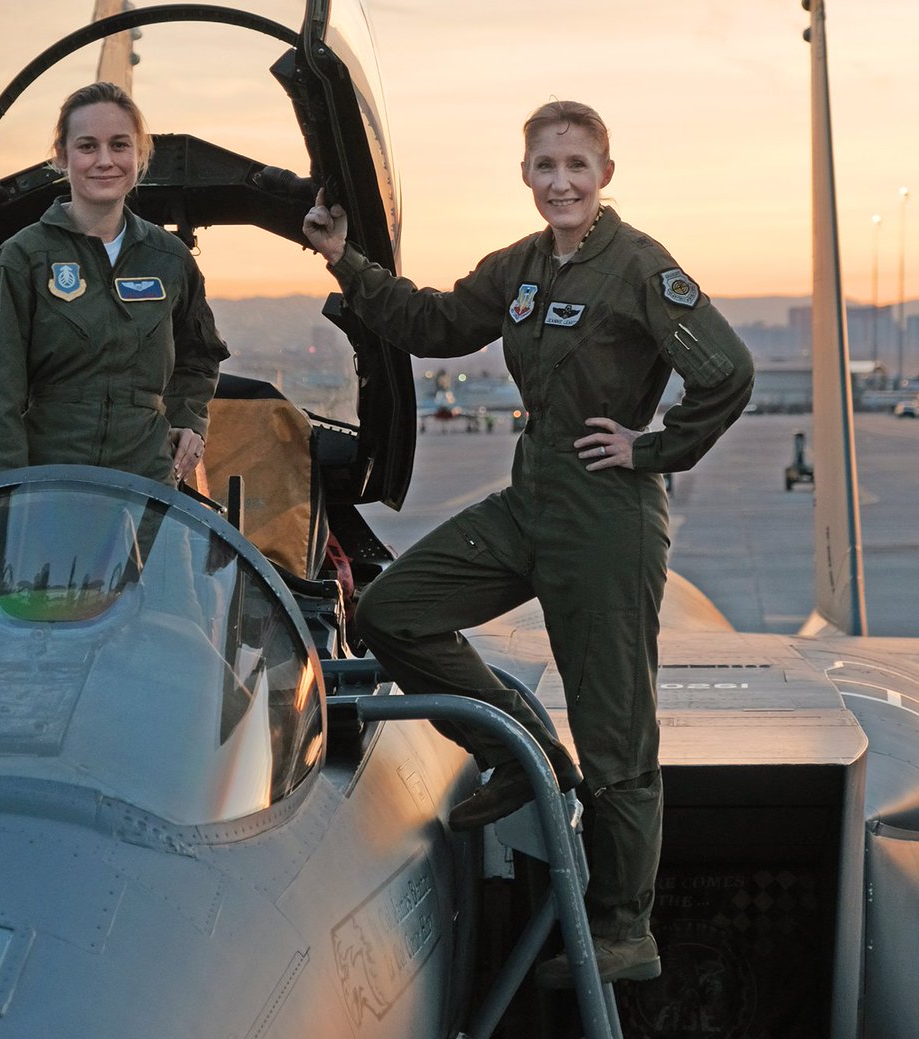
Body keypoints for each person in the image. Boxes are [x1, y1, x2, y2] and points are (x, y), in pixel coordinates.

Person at [302, 100, 754, 987]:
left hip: (607, 521)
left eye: (578, 165)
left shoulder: (640, 266)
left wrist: (652, 448)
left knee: (617, 730)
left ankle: (624, 927)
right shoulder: (520, 266)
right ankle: (522, 751)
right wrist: (341, 259)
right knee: (395, 610)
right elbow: (434, 323)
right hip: (530, 499)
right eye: (546, 166)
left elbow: (726, 372)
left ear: (605, 174)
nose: (561, 181)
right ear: (525, 174)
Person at [0, 82, 228, 485]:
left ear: (140, 154)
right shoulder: (23, 258)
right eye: (88, 146)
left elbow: (200, 356)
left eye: (120, 145)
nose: (105, 161)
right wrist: (10, 502)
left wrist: (187, 420)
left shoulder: (169, 259)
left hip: (147, 486)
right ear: (62, 155)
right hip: (53, 484)